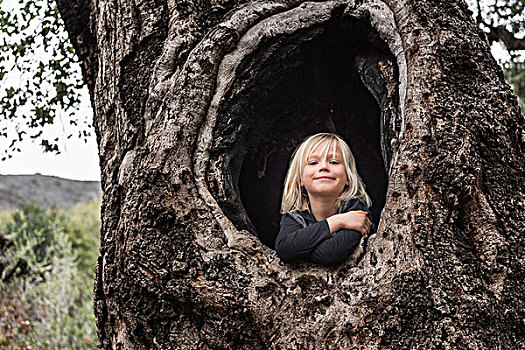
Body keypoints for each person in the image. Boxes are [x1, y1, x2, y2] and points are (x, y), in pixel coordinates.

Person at [275, 133, 375, 266]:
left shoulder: (356, 211)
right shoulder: (296, 215)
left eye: (334, 162)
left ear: (348, 179)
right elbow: (285, 249)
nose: (324, 167)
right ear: (300, 179)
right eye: (313, 162)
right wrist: (337, 222)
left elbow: (331, 253)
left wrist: (300, 250)